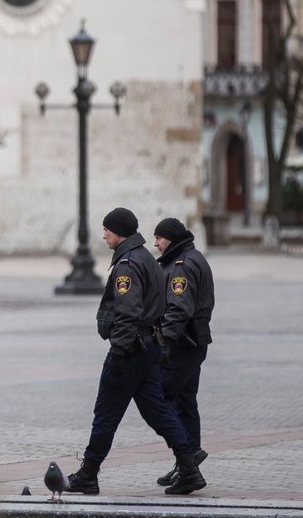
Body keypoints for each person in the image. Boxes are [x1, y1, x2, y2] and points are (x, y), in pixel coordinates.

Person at [66, 207, 207, 497]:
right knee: (157, 411)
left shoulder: (128, 264)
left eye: (107, 229)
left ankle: (89, 473)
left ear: (119, 232)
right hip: (148, 348)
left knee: (106, 412)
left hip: (130, 349)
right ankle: (189, 466)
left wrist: (118, 352)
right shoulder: (145, 257)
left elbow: (128, 313)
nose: (103, 234)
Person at [153, 217, 215, 488]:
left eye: (159, 238)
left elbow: (179, 308)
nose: (155, 243)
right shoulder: (191, 256)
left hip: (182, 344)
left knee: (159, 398)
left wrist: (165, 342)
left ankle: (188, 454)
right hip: (193, 342)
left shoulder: (181, 266)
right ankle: (185, 462)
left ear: (172, 239)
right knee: (185, 402)